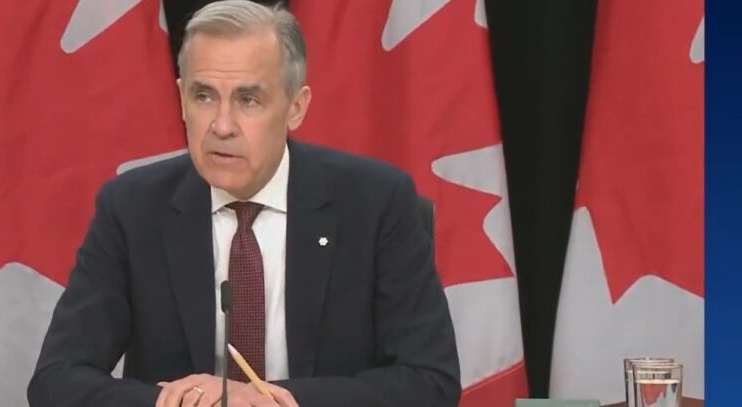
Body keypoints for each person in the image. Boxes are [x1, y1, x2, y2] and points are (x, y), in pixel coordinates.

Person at [27, 1, 460, 406]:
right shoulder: (132, 209)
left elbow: (430, 381)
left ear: (296, 107)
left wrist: (272, 400)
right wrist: (186, 402)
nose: (222, 125)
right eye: (203, 96)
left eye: (248, 100)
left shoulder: (376, 203)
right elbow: (56, 380)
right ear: (181, 100)